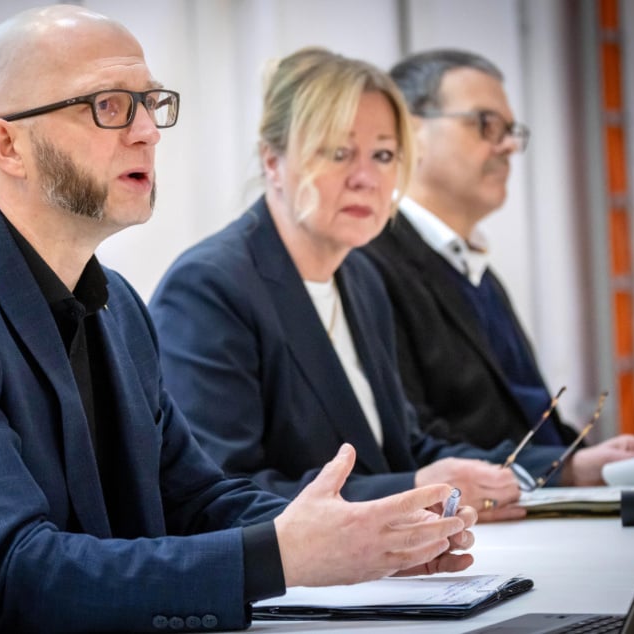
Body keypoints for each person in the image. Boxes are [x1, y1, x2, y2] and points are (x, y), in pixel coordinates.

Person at [0, 6, 478, 633]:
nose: (148, 130)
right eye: (109, 105)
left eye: (151, 103)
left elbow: (196, 499)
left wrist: (358, 537)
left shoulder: (117, 303)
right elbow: (15, 571)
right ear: (8, 146)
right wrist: (283, 556)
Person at [150, 46, 584, 522]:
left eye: (383, 155)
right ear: (272, 161)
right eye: (338, 153)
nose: (365, 178)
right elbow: (221, 493)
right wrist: (412, 490)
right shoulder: (209, 287)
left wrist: (566, 466)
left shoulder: (361, 277)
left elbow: (401, 445)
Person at [358, 48, 634, 484]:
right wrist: (565, 470)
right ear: (410, 131)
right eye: (486, 124)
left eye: (511, 130)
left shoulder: (477, 271)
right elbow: (410, 440)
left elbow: (525, 417)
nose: (509, 145)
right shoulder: (369, 262)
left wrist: (593, 459)